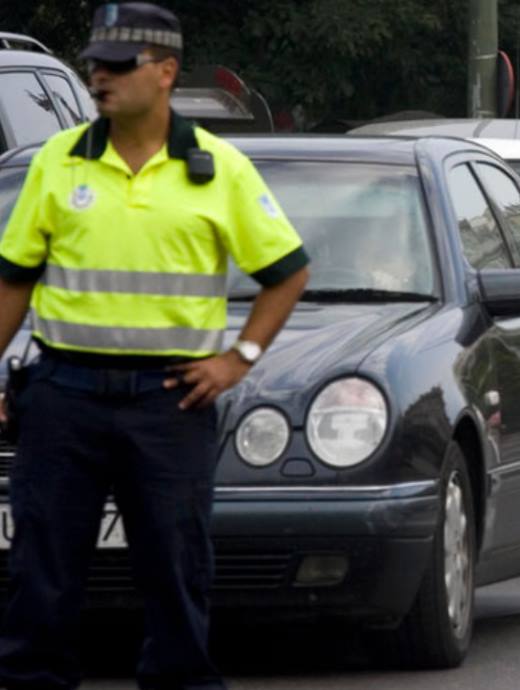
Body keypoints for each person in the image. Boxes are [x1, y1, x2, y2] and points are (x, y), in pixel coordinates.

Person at [0, 4, 309, 689]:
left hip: (168, 403)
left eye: (118, 64)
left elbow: (287, 273)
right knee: (40, 571)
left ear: (166, 71)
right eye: (94, 64)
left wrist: (239, 360)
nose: (99, 77)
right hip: (63, 396)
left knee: (174, 571)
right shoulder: (59, 160)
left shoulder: (216, 169)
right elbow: (12, 282)